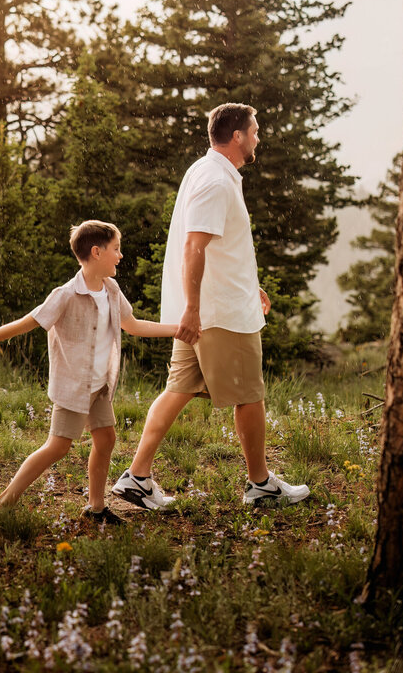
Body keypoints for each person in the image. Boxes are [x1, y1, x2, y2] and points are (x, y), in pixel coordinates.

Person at [112, 103, 310, 510]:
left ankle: (137, 478)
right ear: (236, 136)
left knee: (178, 388)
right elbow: (194, 246)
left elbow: (222, 246)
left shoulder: (212, 174)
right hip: (218, 314)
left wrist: (250, 286)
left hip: (211, 306)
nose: (258, 137)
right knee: (250, 395)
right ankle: (260, 485)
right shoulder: (215, 181)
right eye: (254, 131)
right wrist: (194, 310)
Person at [0, 220, 178, 523]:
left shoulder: (112, 290)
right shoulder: (65, 294)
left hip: (100, 386)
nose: (121, 255)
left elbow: (133, 325)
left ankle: (97, 508)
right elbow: (27, 322)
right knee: (58, 447)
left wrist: (179, 330)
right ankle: (2, 503)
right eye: (116, 249)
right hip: (74, 386)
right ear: (97, 252)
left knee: (106, 439)